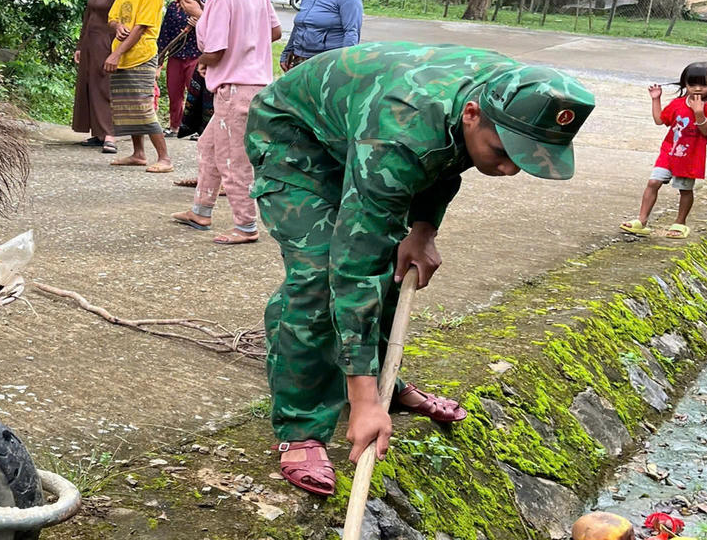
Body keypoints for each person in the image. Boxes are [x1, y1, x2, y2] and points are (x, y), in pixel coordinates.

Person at [246, 42, 595, 495]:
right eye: (504, 152)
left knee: (391, 265)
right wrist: (364, 402)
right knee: (319, 276)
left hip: (370, 132)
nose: (509, 169)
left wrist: (423, 230)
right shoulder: (402, 128)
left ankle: (384, 380)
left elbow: (445, 159)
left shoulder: (521, 93)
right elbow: (353, 267)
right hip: (295, 138)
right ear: (473, 114)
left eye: (526, 159)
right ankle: (301, 427)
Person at [171, 0, 281, 245]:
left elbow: (214, 50)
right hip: (253, 86)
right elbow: (273, 32)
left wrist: (204, 58)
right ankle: (201, 210)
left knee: (234, 160)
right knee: (208, 147)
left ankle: (246, 226)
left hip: (235, 90)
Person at [620, 62, 707, 239]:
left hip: (690, 157)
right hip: (669, 152)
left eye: (704, 85)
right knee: (653, 182)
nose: (697, 89)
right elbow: (660, 120)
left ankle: (680, 223)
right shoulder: (678, 103)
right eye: (692, 84)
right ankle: (642, 221)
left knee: (685, 190)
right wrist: (656, 99)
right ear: (685, 84)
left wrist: (699, 113)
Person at [105, 0, 172, 173]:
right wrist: (118, 26)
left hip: (140, 55)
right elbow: (112, 17)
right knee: (127, 106)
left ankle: (164, 158)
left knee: (143, 106)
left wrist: (116, 53)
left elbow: (142, 27)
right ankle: (138, 153)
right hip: (123, 54)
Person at [72, 0, 126, 154]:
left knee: (105, 87)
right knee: (90, 86)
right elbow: (87, 18)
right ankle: (97, 132)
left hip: (107, 44)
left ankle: (110, 134)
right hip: (90, 45)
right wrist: (80, 45)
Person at [157, 0, 208, 137]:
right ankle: (174, 126)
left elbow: (213, 30)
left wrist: (199, 19)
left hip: (196, 55)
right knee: (174, 92)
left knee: (196, 93)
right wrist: (159, 59)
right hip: (176, 54)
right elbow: (165, 32)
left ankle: (199, 129)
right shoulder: (175, 5)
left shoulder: (207, 5)